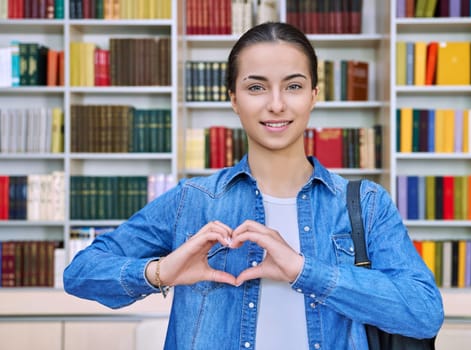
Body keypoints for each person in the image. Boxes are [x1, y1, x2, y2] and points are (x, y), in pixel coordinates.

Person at [63, 22, 444, 349]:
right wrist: (161, 272)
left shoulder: (367, 204)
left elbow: (424, 313)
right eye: (256, 87)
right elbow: (80, 273)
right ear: (233, 98)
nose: (276, 105)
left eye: (293, 86)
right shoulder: (193, 201)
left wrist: (302, 270)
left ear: (314, 95)